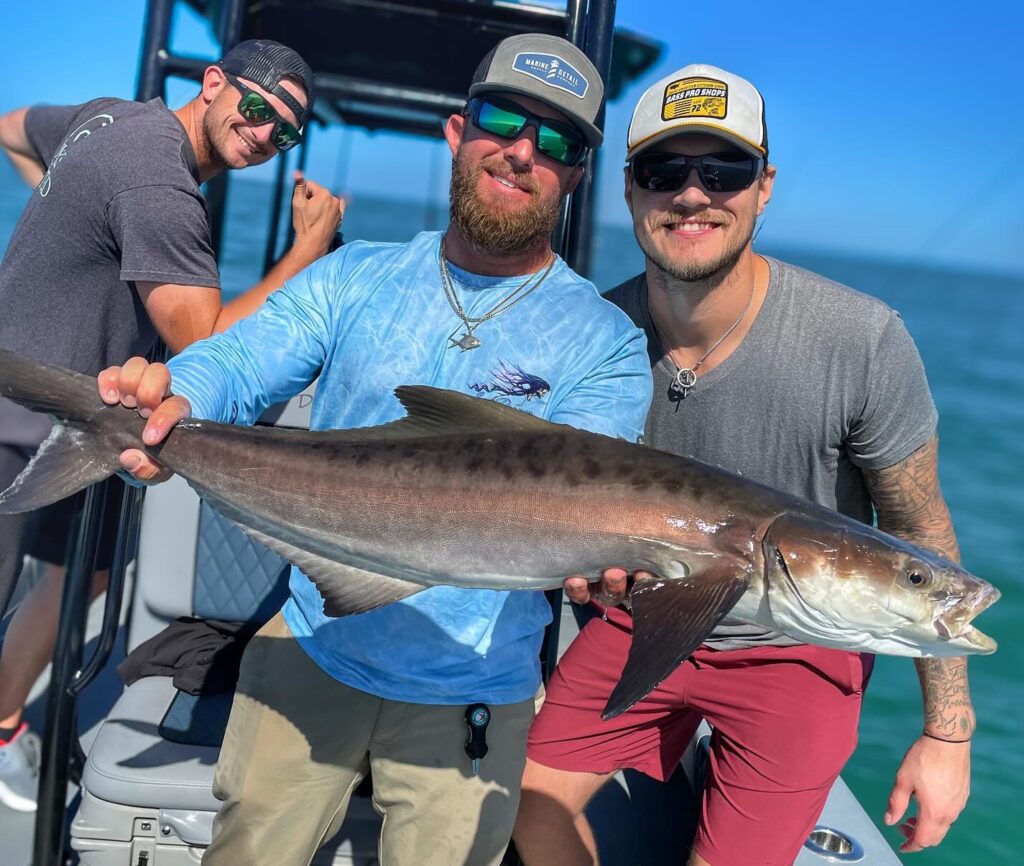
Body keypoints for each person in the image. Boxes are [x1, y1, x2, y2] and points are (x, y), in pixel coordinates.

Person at [98, 33, 652, 866]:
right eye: (503, 119)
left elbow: (591, 496)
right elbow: (243, 357)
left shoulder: (605, 343)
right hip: (312, 644)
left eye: (558, 141)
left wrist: (611, 561)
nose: (523, 151)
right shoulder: (355, 276)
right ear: (458, 131)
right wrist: (181, 398)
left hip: (474, 687)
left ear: (576, 173)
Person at [513, 64, 975, 866]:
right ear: (629, 191)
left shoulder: (861, 340)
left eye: (722, 171)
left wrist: (946, 734)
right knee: (524, 801)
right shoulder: (592, 333)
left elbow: (916, 525)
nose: (692, 195)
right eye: (665, 171)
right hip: (644, 618)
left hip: (800, 648)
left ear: (764, 187)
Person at [0, 38, 344, 812]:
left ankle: (3, 719)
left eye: (284, 133)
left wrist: (75, 241)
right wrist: (309, 251)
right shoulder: (159, 179)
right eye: (256, 111)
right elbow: (211, 341)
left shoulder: (104, 118)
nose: (263, 137)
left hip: (79, 416)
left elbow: (14, 128)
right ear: (213, 83)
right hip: (17, 418)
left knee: (87, 572)